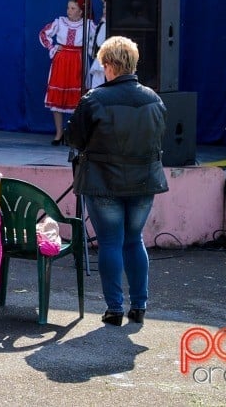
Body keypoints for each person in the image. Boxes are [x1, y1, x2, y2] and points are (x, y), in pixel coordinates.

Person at [66, 36, 168, 326]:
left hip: (103, 181)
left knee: (111, 242)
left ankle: (114, 309)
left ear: (109, 65)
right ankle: (139, 306)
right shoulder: (154, 99)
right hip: (144, 181)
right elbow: (160, 137)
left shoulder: (94, 98)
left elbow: (74, 138)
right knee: (134, 240)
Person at [39, 0, 96, 145]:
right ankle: (59, 133)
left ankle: (73, 133)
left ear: (81, 11)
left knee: (78, 99)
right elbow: (44, 34)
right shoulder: (60, 22)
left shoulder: (88, 25)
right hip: (62, 60)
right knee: (57, 98)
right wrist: (52, 47)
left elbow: (96, 41)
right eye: (68, 8)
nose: (69, 11)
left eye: (72, 8)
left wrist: (92, 53)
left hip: (78, 60)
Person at [87, 0, 108, 90]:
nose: (105, 10)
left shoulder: (111, 25)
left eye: (108, 8)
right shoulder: (102, 24)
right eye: (104, 7)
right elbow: (96, 43)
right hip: (100, 62)